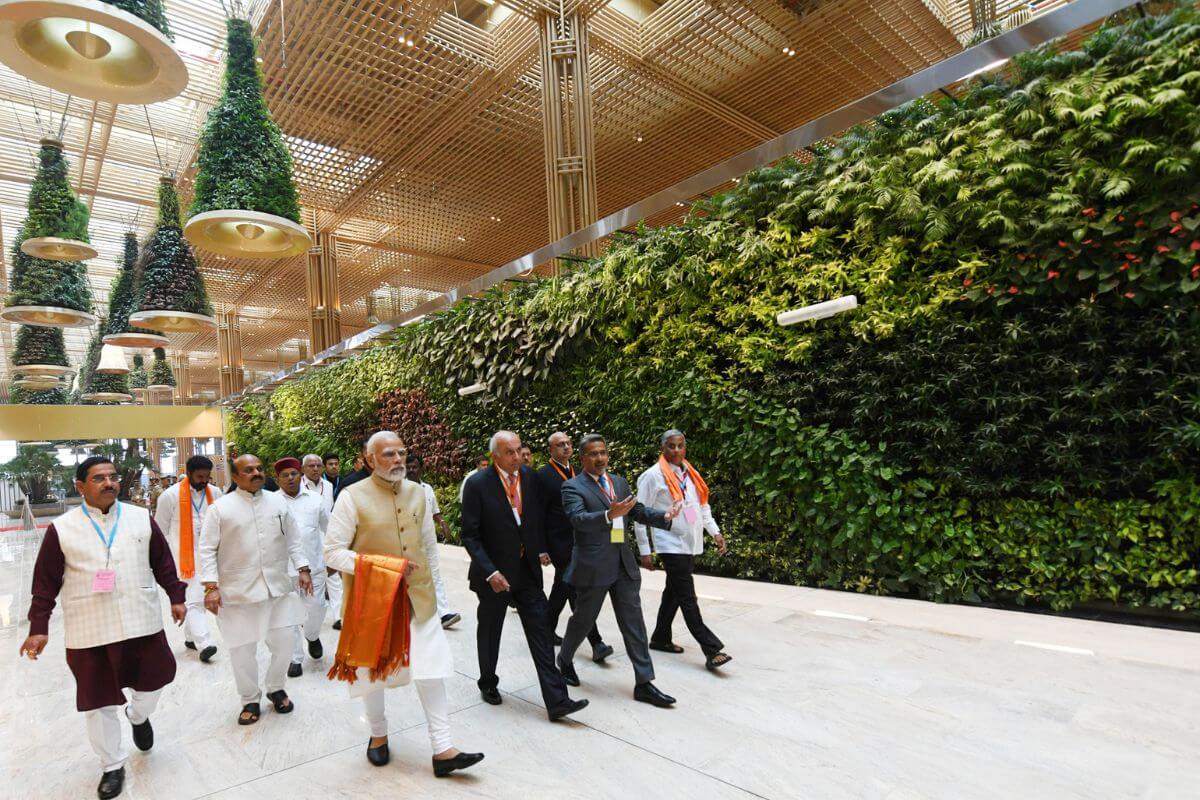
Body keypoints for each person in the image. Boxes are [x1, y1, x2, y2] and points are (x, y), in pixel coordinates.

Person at [21, 456, 187, 800]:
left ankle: (138, 716)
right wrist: (39, 626)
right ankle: (112, 766)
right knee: (98, 702)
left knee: (158, 678)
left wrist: (175, 595)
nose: (109, 483)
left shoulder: (141, 518)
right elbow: (45, 583)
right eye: (99, 478)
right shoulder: (62, 529)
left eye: (112, 477)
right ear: (80, 486)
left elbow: (162, 561)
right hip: (90, 628)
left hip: (140, 619)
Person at [324, 431, 484, 776]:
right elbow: (332, 553)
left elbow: (427, 546)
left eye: (402, 453)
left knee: (432, 668)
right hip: (373, 601)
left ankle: (443, 749)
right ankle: (378, 735)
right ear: (369, 460)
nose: (398, 460)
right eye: (388, 455)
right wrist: (383, 567)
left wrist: (437, 595)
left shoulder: (419, 493)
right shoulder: (351, 497)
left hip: (418, 598)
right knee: (372, 671)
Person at [461, 431, 588, 721]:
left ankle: (557, 701)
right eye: (510, 452)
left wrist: (543, 549)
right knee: (491, 630)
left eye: (519, 451)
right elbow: (470, 535)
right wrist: (490, 571)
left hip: (527, 572)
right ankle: (488, 681)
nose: (517, 457)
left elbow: (539, 520)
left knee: (542, 632)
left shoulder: (530, 479)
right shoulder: (478, 484)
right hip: (494, 575)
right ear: (495, 456)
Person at [557, 433, 679, 707]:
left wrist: (664, 517)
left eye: (603, 452)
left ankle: (645, 683)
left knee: (634, 623)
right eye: (593, 454)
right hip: (594, 565)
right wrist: (607, 516)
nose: (599, 458)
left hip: (622, 564)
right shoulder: (572, 487)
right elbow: (578, 520)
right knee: (583, 620)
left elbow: (636, 511)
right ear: (582, 458)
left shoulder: (619, 483)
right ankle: (564, 659)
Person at [199, 454, 313, 726]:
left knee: (285, 643)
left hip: (276, 588)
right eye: (248, 470)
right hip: (238, 591)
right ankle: (249, 698)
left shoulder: (278, 502)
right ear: (235, 477)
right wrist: (211, 587)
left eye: (259, 468)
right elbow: (206, 549)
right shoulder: (221, 508)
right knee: (242, 650)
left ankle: (276, 687)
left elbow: (294, 540)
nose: (256, 473)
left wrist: (303, 568)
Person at [635, 430, 732, 671]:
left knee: (674, 592)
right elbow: (639, 515)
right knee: (687, 596)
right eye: (671, 446)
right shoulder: (652, 476)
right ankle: (711, 649)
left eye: (680, 446)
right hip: (668, 543)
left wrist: (715, 532)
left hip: (688, 542)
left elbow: (699, 506)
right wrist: (645, 550)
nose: (676, 451)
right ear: (663, 448)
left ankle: (660, 638)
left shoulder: (689, 473)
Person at [535, 431, 611, 659]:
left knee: (563, 587)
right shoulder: (543, 475)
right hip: (558, 542)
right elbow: (537, 514)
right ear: (551, 450)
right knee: (577, 590)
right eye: (560, 445)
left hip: (580, 539)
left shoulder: (579, 472)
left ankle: (544, 630)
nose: (566, 447)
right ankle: (596, 642)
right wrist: (541, 548)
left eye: (568, 443)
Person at [154, 455, 223, 663]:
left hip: (211, 555)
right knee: (194, 601)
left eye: (207, 477)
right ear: (189, 473)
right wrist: (166, 560)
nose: (204, 481)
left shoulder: (216, 493)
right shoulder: (170, 496)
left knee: (202, 598)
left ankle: (191, 638)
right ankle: (205, 643)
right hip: (184, 559)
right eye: (200, 476)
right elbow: (160, 530)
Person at [274, 457, 331, 677]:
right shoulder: (271, 502)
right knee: (288, 616)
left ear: (301, 475)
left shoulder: (316, 500)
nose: (290, 478)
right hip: (282, 570)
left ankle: (312, 635)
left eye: (294, 474)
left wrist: (335, 557)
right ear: (277, 479)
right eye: (285, 475)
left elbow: (331, 530)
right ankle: (295, 657)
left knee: (315, 608)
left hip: (314, 566)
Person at [406, 453, 461, 629]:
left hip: (428, 539)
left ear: (421, 468)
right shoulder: (399, 489)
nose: (411, 470)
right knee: (410, 577)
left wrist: (443, 523)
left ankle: (444, 613)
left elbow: (435, 511)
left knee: (434, 574)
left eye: (414, 466)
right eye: (408, 466)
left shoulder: (427, 488)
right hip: (408, 540)